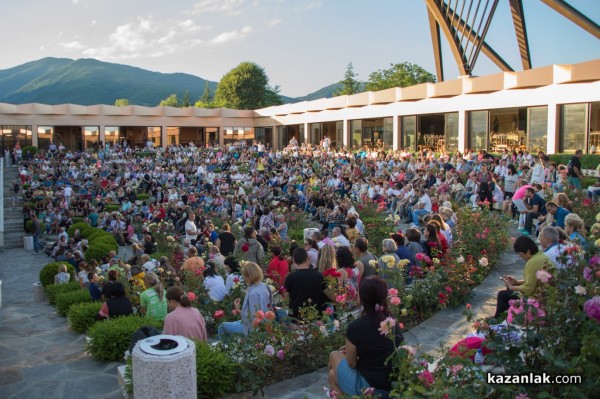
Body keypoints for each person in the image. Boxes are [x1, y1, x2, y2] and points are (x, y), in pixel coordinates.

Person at [327, 276, 403, 397]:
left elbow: (352, 364)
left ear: (361, 297)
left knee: (334, 355)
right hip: (390, 383)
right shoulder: (392, 321)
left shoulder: (356, 326)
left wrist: (353, 352)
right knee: (332, 375)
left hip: (370, 386)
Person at [494, 236, 553, 319]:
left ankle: (498, 319)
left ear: (528, 251)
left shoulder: (532, 262)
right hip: (546, 295)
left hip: (538, 299)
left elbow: (528, 289)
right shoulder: (541, 256)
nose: (520, 256)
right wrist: (517, 282)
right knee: (509, 292)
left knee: (503, 295)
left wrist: (511, 287)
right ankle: (505, 318)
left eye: (521, 254)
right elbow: (533, 281)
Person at [218, 262, 273, 337]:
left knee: (222, 326)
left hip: (251, 329)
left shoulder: (253, 293)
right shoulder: (265, 286)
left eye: (245, 276)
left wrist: (238, 310)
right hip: (266, 324)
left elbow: (253, 319)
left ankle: (224, 347)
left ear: (251, 276)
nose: (244, 278)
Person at [284, 248, 326, 320]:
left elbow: (285, 300)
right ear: (307, 259)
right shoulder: (319, 276)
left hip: (296, 317)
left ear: (294, 260)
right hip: (315, 316)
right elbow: (331, 295)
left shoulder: (290, 277)